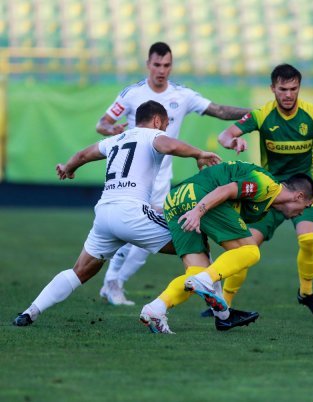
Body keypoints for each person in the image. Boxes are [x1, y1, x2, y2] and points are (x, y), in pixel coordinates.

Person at [12, 101, 222, 327]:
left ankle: (30, 311)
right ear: (157, 121)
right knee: (195, 242)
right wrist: (199, 153)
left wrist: (68, 168)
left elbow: (83, 154)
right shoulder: (152, 135)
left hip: (104, 213)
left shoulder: (116, 139)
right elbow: (169, 145)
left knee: (80, 271)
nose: (165, 129)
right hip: (132, 213)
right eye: (166, 124)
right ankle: (222, 314)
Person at [96, 41, 250, 306]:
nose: (162, 70)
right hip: (133, 179)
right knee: (130, 235)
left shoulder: (183, 95)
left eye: (167, 65)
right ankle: (113, 282)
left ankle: (113, 283)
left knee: (142, 244)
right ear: (148, 64)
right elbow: (103, 123)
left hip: (161, 181)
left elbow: (220, 111)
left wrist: (258, 115)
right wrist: (112, 131)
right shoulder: (131, 95)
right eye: (157, 64)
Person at [216, 63, 313, 319]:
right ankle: (223, 303)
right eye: (283, 89)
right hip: (270, 195)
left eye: (293, 89)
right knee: (245, 248)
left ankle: (306, 293)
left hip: (305, 193)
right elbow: (225, 135)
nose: (288, 94)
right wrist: (233, 141)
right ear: (273, 88)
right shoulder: (262, 115)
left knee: (308, 239)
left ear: (299, 88)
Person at [139, 160, 313, 334]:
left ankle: (155, 309)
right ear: (299, 196)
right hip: (199, 198)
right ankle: (208, 284)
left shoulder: (263, 208)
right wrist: (198, 211)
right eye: (306, 207)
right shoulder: (267, 185)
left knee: (194, 273)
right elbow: (225, 189)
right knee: (250, 250)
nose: (302, 213)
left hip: (175, 199)